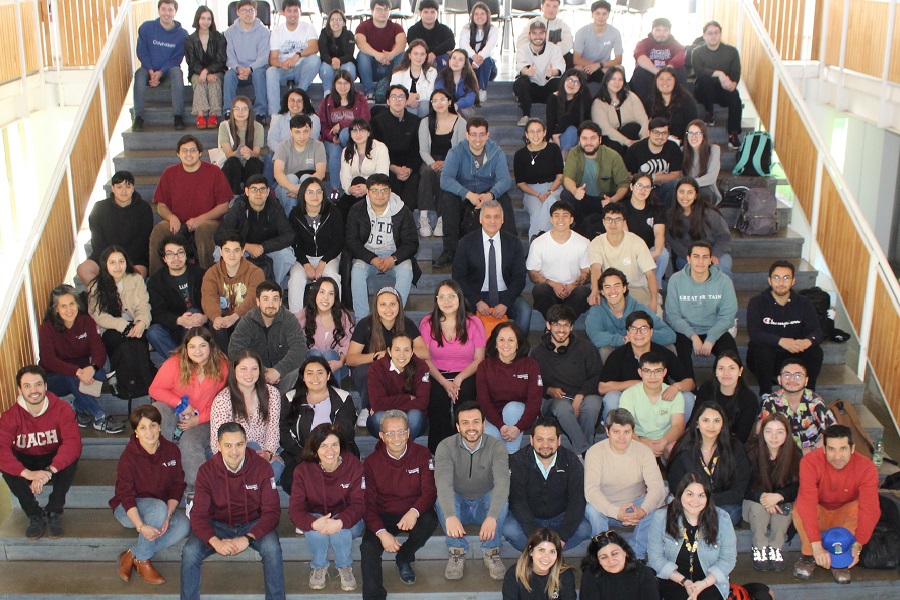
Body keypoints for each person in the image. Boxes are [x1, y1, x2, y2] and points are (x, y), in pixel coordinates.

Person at [181, 422, 284, 600]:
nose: (234, 451)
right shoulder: (206, 471)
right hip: (217, 525)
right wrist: (215, 541)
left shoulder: (261, 467)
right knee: (190, 551)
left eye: (239, 444)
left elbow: (272, 513)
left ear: (245, 443)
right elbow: (198, 516)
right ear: (218, 445)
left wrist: (248, 538)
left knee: (272, 548)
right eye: (228, 445)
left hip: (253, 523)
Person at [361, 410, 439, 597]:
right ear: (382, 436)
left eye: (401, 432)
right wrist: (381, 532)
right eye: (390, 433)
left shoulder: (422, 454)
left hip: (413, 511)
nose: (397, 438)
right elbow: (367, 504)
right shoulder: (371, 463)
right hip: (384, 514)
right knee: (368, 548)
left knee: (429, 520)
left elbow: (430, 492)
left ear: (408, 433)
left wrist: (414, 511)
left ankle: (404, 557)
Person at [110, 404, 190, 584]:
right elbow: (126, 496)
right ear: (136, 432)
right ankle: (142, 559)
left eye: (153, 425)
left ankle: (132, 553)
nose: (149, 432)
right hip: (128, 510)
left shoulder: (171, 450)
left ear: (159, 426)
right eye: (143, 428)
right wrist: (140, 526)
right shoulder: (128, 458)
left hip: (159, 510)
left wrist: (168, 516)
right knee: (158, 508)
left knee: (184, 526)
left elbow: (177, 485)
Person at [0, 365, 81, 540]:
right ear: (19, 390)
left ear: (45, 386)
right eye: (27, 386)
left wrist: (49, 471)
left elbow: (73, 443)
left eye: (38, 384)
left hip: (52, 459)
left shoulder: (62, 409)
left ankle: (54, 511)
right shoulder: (10, 416)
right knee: (7, 466)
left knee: (69, 459)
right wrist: (28, 473)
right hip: (26, 460)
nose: (33, 390)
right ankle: (34, 514)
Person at [792, 425, 880, 584]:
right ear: (824, 449)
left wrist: (858, 544)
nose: (837, 456)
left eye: (843, 449)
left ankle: (840, 557)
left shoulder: (866, 467)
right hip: (819, 510)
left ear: (852, 448)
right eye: (831, 449)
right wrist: (816, 546)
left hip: (844, 513)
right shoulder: (809, 462)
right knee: (800, 507)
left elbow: (870, 509)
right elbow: (807, 502)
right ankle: (808, 555)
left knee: (857, 508)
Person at [434, 401, 510, 581]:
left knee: (501, 499)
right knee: (442, 501)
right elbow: (443, 484)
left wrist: (492, 517)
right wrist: (450, 515)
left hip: (484, 503)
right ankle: (457, 551)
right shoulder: (445, 446)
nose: (471, 428)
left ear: (483, 425)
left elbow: (502, 483)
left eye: (476, 422)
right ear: (458, 427)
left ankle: (491, 551)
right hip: (459, 503)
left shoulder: (497, 447)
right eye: (465, 423)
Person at [149, 327, 229, 495]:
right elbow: (155, 389)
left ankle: (196, 488)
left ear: (210, 346)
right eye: (192, 346)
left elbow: (224, 401)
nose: (197, 351)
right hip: (175, 412)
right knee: (157, 410)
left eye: (202, 346)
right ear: (186, 348)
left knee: (189, 441)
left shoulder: (222, 366)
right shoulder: (174, 363)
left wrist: (198, 420)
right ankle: (159, 469)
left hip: (205, 418)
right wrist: (180, 403)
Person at [289, 424, 365, 591]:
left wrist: (340, 521)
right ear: (315, 448)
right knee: (315, 531)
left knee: (340, 531)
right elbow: (295, 509)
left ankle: (344, 566)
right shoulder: (303, 470)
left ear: (341, 446)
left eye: (334, 445)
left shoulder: (354, 465)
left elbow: (359, 504)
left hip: (349, 517)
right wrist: (313, 523)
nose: (330, 451)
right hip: (317, 515)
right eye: (323, 446)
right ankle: (319, 566)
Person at [584, 408, 666, 560]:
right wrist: (615, 512)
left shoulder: (644, 452)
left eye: (626, 432)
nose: (622, 437)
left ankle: (636, 556)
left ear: (633, 432)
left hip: (635, 507)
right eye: (616, 432)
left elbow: (657, 487)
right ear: (607, 431)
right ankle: (602, 554)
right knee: (592, 509)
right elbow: (591, 490)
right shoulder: (595, 452)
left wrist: (643, 510)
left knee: (656, 505)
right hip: (605, 508)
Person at [38, 284, 121, 433]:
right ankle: (100, 417)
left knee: (100, 374)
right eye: (63, 306)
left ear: (77, 304)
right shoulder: (47, 328)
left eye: (72, 304)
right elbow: (49, 360)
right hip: (55, 378)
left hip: (82, 372)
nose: (69, 310)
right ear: (56, 309)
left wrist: (93, 367)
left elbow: (99, 350)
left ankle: (76, 407)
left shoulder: (87, 322)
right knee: (71, 376)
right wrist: (77, 371)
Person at [436, 117, 517, 268]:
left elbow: (505, 180)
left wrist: (491, 195)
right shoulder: (456, 152)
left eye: (481, 134)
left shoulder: (496, 152)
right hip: (464, 194)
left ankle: (511, 248)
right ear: (467, 135)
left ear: (488, 135)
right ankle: (450, 250)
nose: (478, 139)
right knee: (448, 198)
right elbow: (445, 180)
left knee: (504, 198)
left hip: (488, 193)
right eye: (474, 134)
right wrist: (468, 195)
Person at [648, 473, 741, 600]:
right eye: (690, 494)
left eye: (701, 495)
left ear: (708, 497)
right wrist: (685, 581)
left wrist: (703, 584)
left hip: (709, 580)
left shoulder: (722, 519)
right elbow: (655, 558)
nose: (695, 500)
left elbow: (728, 560)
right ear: (680, 494)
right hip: (673, 578)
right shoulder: (661, 517)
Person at [149, 135, 233, 274]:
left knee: (204, 230)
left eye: (192, 150)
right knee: (159, 231)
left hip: (208, 222)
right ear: (178, 154)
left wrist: (200, 219)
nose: (188, 154)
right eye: (184, 150)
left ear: (200, 153)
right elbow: (161, 206)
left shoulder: (214, 172)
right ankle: (156, 280)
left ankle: (209, 278)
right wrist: (171, 217)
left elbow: (224, 206)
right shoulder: (169, 173)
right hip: (178, 223)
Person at [504, 416, 591, 551]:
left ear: (559, 440)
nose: (545, 445)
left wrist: (563, 536)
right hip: (529, 517)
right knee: (509, 529)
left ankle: (546, 552)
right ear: (531, 440)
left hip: (559, 517)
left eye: (551, 439)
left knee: (584, 529)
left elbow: (577, 500)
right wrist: (533, 534)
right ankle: (544, 552)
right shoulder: (518, 460)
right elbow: (518, 501)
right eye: (540, 439)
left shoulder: (571, 461)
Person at [346, 287, 428, 426]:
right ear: (376, 306)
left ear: (399, 305)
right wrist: (376, 356)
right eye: (383, 304)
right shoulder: (365, 324)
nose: (388, 309)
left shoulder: (406, 323)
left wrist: (397, 353)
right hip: (373, 370)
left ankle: (394, 404)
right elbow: (350, 359)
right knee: (367, 370)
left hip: (397, 370)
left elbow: (425, 352)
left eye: (392, 304)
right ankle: (367, 406)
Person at [420, 279, 486, 452]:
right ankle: (439, 452)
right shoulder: (427, 323)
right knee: (437, 398)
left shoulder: (474, 322)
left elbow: (479, 359)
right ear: (436, 300)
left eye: (451, 296)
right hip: (437, 372)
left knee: (465, 396)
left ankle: (465, 449)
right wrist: (444, 382)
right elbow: (425, 359)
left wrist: (459, 378)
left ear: (459, 298)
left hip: (466, 372)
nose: (447, 301)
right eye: (442, 297)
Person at [530, 304, 603, 455]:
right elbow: (532, 383)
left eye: (566, 325)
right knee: (562, 407)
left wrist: (580, 396)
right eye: (557, 325)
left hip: (583, 397)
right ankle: (586, 452)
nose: (561, 330)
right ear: (548, 325)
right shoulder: (538, 353)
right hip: (554, 403)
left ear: (572, 327)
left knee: (593, 404)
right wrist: (548, 390)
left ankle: (583, 452)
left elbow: (596, 376)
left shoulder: (586, 348)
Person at [346, 173, 421, 318]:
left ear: (390, 191)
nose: (380, 195)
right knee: (357, 270)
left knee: (406, 270)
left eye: (384, 190)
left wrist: (394, 259)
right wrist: (371, 258)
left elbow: (411, 243)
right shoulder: (357, 209)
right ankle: (361, 319)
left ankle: (394, 317)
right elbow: (351, 241)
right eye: (375, 190)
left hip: (394, 255)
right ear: (368, 192)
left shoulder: (402, 210)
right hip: (367, 256)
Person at [87, 246, 157, 401]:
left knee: (138, 339)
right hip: (110, 327)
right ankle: (124, 380)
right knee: (118, 341)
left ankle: (144, 380)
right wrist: (122, 325)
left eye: (121, 261)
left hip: (135, 322)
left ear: (127, 262)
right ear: (105, 264)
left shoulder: (135, 279)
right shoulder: (95, 285)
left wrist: (141, 323)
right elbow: (98, 315)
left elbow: (144, 306)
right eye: (112, 262)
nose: (118, 266)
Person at [452, 200, 532, 334]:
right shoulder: (466, 242)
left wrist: (505, 303)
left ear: (502, 220)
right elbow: (458, 276)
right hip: (475, 294)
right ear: (480, 219)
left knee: (525, 311)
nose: (492, 221)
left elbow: (519, 277)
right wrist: (477, 301)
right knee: (458, 308)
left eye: (497, 217)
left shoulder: (513, 242)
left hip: (506, 294)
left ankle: (518, 346)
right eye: (488, 216)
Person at [746, 260, 824, 397]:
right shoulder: (757, 302)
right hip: (767, 359)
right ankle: (766, 395)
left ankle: (808, 395)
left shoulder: (804, 302)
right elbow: (755, 334)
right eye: (776, 278)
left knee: (815, 351)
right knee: (762, 350)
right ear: (769, 280)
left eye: (786, 278)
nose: (781, 283)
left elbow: (817, 332)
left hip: (795, 357)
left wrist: (807, 341)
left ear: (793, 281)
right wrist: (781, 341)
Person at [279, 356, 357, 492]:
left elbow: (345, 432)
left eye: (320, 373)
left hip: (336, 452)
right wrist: (306, 454)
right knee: (291, 481)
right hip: (301, 453)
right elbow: (283, 431)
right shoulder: (290, 398)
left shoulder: (343, 398)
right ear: (303, 377)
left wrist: (326, 452)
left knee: (341, 480)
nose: (315, 378)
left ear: (328, 375)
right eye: (309, 373)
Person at [667, 401, 751, 526]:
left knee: (724, 517)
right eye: (705, 420)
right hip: (691, 503)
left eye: (716, 421)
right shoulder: (684, 448)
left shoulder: (735, 449)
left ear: (723, 424)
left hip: (724, 505)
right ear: (697, 423)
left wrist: (708, 500)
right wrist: (696, 501)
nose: (711, 426)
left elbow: (739, 490)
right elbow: (676, 485)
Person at [598, 310, 691, 422]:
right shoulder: (617, 355)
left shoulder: (664, 353)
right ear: (628, 333)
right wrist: (635, 384)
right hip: (629, 403)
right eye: (633, 329)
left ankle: (679, 432)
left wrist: (676, 387)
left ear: (651, 332)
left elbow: (689, 382)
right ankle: (619, 432)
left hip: (659, 401)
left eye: (644, 328)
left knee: (688, 397)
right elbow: (602, 387)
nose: (639, 333)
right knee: (611, 398)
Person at [210, 349, 285, 485]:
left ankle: (248, 491)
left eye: (254, 369)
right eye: (243, 369)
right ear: (234, 371)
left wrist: (268, 454)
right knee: (251, 446)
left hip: (264, 453)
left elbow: (273, 430)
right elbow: (218, 439)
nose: (249, 374)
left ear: (260, 371)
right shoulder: (223, 399)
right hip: (233, 455)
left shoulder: (272, 394)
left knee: (277, 467)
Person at [665, 241, 738, 376]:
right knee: (680, 358)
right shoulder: (676, 280)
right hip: (685, 330)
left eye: (705, 257)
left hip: (715, 329)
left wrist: (711, 338)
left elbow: (728, 315)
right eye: (696, 256)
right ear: (688, 259)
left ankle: (728, 387)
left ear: (710, 260)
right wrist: (693, 336)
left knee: (732, 359)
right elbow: (672, 315)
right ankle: (689, 387)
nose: (700, 261)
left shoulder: (724, 281)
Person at [744, 412, 801, 571]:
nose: (774, 437)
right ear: (762, 432)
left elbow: (798, 486)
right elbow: (742, 485)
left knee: (785, 507)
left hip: (780, 501)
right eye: (769, 431)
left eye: (779, 432)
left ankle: (776, 547)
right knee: (758, 508)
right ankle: (759, 547)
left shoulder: (795, 454)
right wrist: (763, 497)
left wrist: (779, 496)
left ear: (787, 434)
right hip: (753, 502)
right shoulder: (750, 451)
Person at [229, 281, 306, 395]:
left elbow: (300, 348)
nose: (271, 304)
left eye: (275, 299)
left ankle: (281, 400)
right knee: (238, 368)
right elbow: (234, 349)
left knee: (301, 371)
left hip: (284, 375)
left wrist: (279, 370)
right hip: (256, 375)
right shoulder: (248, 321)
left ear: (280, 301)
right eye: (265, 299)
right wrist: (262, 371)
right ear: (258, 301)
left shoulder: (289, 319)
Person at [77, 170, 153, 284]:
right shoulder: (99, 208)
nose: (124, 191)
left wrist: (122, 261)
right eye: (119, 187)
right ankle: (105, 293)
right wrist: (110, 261)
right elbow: (97, 240)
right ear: (112, 188)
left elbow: (142, 240)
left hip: (134, 258)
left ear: (133, 188)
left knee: (136, 278)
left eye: (128, 186)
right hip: (104, 257)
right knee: (83, 270)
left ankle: (115, 292)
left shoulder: (144, 208)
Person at [477, 322, 543, 453]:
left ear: (518, 343)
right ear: (495, 343)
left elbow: (535, 401)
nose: (506, 344)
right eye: (501, 340)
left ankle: (512, 454)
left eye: (511, 340)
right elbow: (484, 402)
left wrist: (518, 427)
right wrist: (501, 426)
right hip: (494, 418)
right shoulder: (484, 367)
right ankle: (504, 460)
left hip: (522, 417)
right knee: (488, 440)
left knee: (511, 408)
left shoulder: (531, 366)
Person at [221, 175, 295, 284]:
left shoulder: (275, 206)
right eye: (254, 189)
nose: (258, 193)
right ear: (247, 191)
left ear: (268, 191)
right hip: (243, 250)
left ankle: (272, 287)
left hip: (268, 250)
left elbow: (289, 235)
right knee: (220, 251)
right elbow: (221, 234)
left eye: (262, 189)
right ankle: (233, 287)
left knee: (286, 254)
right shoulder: (239, 206)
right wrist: (245, 246)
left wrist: (263, 247)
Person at [586, 271, 675, 361]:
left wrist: (641, 335)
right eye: (607, 287)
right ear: (602, 292)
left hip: (642, 352)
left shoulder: (639, 309)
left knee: (669, 347)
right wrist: (624, 339)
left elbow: (670, 334)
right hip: (615, 354)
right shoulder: (597, 311)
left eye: (617, 286)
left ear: (624, 288)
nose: (613, 291)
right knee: (605, 350)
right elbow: (595, 336)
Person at [560, 121, 630, 234]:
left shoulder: (613, 156)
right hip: (582, 198)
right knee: (566, 194)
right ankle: (581, 226)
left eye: (593, 138)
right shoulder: (574, 153)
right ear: (579, 140)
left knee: (622, 205)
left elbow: (624, 183)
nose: (589, 142)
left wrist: (613, 199)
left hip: (605, 200)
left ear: (600, 139)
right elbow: (567, 177)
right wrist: (575, 191)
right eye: (584, 138)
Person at [587, 203, 659, 312]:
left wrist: (654, 300)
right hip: (609, 290)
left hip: (635, 289)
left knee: (653, 316)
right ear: (603, 222)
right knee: (597, 313)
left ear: (624, 222)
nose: (613, 223)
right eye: (609, 219)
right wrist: (596, 290)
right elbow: (596, 269)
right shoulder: (596, 243)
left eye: (618, 219)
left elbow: (650, 274)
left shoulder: (637, 242)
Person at [200, 229, 265, 349]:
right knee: (216, 326)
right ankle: (224, 359)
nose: (231, 255)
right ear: (221, 252)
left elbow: (253, 298)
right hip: (222, 317)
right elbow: (209, 297)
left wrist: (235, 316)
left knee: (242, 323)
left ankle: (242, 358)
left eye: (236, 250)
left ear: (242, 251)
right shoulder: (211, 273)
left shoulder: (255, 272)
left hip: (245, 317)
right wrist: (216, 317)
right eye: (227, 250)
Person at [526, 200, 590, 320]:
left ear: (571, 219)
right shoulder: (538, 243)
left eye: (565, 216)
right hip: (549, 289)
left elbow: (586, 271)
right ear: (551, 219)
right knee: (540, 289)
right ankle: (558, 323)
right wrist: (553, 284)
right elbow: (532, 273)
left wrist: (572, 285)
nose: (561, 220)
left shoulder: (583, 242)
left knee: (584, 291)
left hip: (573, 290)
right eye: (556, 215)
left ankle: (559, 324)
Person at [146, 234, 208, 359]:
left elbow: (212, 301)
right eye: (170, 254)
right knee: (153, 332)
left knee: (193, 312)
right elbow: (157, 313)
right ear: (164, 258)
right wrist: (178, 320)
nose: (176, 258)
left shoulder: (201, 274)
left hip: (199, 326)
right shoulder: (156, 281)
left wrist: (205, 318)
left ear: (186, 255)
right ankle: (181, 363)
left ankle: (189, 360)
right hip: (173, 328)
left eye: (180, 252)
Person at [287, 177, 344, 309]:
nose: (315, 196)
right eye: (310, 192)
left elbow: (338, 242)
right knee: (296, 277)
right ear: (303, 194)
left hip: (329, 257)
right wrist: (306, 264)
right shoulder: (295, 214)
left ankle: (335, 315)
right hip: (303, 258)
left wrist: (323, 262)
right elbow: (294, 243)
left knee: (332, 275)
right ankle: (295, 318)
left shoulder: (333, 212)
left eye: (319, 192)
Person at [757, 358, 836, 453]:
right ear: (779, 379)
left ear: (806, 381)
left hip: (812, 454)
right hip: (781, 454)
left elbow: (834, 432)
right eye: (787, 375)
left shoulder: (815, 402)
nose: (792, 379)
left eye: (798, 376)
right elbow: (761, 432)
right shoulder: (771, 402)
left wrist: (811, 450)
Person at [619, 351, 685, 460]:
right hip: (638, 439)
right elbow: (625, 426)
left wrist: (663, 441)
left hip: (666, 439)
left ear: (665, 372)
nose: (652, 376)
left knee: (674, 450)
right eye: (647, 371)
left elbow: (678, 426)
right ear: (640, 372)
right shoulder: (629, 394)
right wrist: (642, 443)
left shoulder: (675, 394)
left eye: (657, 371)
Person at [132, 0, 187, 132]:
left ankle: (178, 115)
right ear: (158, 10)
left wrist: (160, 72)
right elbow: (142, 52)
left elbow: (176, 58)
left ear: (175, 12)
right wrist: (152, 72)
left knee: (177, 72)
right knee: (139, 74)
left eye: (170, 10)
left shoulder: (182, 34)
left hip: (167, 73)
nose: (166, 13)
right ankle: (138, 116)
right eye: (163, 9)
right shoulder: (146, 28)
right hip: (148, 70)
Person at [418, 88, 466, 237]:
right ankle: (423, 216)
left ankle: (441, 218)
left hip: (452, 161)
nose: (439, 103)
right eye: (435, 101)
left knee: (443, 176)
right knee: (427, 172)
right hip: (430, 159)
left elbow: (460, 150)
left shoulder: (460, 122)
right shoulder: (425, 122)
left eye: (442, 100)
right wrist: (433, 163)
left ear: (449, 102)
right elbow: (423, 150)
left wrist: (447, 163)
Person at [318, 69, 371, 198]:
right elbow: (323, 125)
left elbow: (365, 120)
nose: (343, 87)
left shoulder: (360, 98)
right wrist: (331, 137)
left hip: (354, 138)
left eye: (346, 83)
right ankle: (335, 189)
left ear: (351, 84)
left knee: (345, 133)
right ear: (334, 84)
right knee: (335, 151)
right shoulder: (327, 101)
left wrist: (342, 124)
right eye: (339, 83)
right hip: (332, 140)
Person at [366, 332, 430, 439]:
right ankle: (396, 448)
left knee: (415, 416)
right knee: (379, 417)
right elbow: (377, 404)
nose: (402, 355)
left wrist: (389, 407)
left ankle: (402, 447)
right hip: (384, 416)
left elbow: (422, 402)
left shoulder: (421, 367)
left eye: (406, 350)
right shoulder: (376, 368)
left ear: (412, 352)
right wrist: (407, 398)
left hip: (412, 417)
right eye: (397, 350)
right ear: (389, 351)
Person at [692, 21, 743, 150]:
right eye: (710, 33)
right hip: (703, 91)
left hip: (723, 89)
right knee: (705, 80)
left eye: (716, 33)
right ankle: (710, 113)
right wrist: (719, 73)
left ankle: (733, 134)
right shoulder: (697, 51)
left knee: (735, 97)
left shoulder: (731, 51)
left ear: (720, 34)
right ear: (704, 36)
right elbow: (699, 71)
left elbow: (736, 72)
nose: (713, 36)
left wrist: (733, 84)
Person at [265, 0, 320, 118]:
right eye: (289, 11)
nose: (292, 14)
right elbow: (272, 59)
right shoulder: (277, 32)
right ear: (283, 12)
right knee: (270, 72)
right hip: (283, 69)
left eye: (295, 11)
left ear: (300, 12)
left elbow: (314, 48)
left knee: (315, 60)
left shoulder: (308, 27)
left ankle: (298, 95)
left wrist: (297, 55)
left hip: (300, 67)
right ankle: (274, 114)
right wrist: (281, 64)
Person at [667, 180, 733, 278]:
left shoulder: (710, 214)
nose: (685, 196)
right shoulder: (670, 216)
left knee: (719, 270)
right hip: (687, 257)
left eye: (690, 192)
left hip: (715, 253)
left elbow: (725, 237)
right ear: (676, 194)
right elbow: (674, 242)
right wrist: (694, 257)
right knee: (692, 270)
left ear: (696, 195)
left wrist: (712, 255)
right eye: (681, 192)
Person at [372, 85, 423, 212]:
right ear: (388, 101)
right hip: (387, 166)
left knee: (410, 197)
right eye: (393, 97)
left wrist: (408, 169)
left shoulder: (416, 121)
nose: (397, 100)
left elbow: (417, 150)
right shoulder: (377, 121)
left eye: (401, 97)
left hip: (409, 168)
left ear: (406, 101)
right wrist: (394, 168)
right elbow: (376, 151)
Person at [295, 277, 354, 383]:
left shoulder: (343, 316)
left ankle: (333, 391)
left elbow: (348, 345)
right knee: (314, 354)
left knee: (330, 354)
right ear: (315, 294)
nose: (326, 298)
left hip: (337, 365)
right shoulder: (305, 314)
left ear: (335, 297)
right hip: (310, 364)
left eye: (331, 294)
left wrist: (340, 362)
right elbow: (294, 338)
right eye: (322, 292)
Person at [514, 118, 564, 240]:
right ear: (526, 134)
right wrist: (538, 195)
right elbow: (521, 183)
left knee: (550, 202)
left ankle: (542, 240)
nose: (535, 135)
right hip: (531, 191)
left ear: (544, 132)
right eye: (532, 131)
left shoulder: (553, 149)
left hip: (554, 188)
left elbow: (560, 176)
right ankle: (536, 245)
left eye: (539, 131)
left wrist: (549, 191)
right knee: (536, 211)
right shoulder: (520, 155)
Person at [693, 350, 758, 444]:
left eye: (732, 368)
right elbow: (694, 421)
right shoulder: (706, 389)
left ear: (740, 371)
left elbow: (741, 437)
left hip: (732, 446)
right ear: (715, 372)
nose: (726, 373)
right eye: (721, 368)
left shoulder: (749, 399)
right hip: (703, 441)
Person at [223, 0, 270, 120]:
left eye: (251, 10)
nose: (248, 13)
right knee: (229, 75)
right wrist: (238, 68)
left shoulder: (264, 31)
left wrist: (250, 69)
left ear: (256, 12)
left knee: (259, 74)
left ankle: (260, 112)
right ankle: (228, 111)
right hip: (238, 70)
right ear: (238, 12)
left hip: (256, 69)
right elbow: (229, 56)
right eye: (244, 10)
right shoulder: (229, 32)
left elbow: (264, 56)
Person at [579, 530, 660, 600]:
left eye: (615, 554)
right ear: (598, 560)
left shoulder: (643, 573)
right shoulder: (591, 575)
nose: (611, 561)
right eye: (604, 557)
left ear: (625, 552)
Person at [272, 114, 327, 215]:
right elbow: (278, 173)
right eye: (297, 132)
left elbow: (321, 173)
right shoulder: (283, 146)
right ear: (291, 132)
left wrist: (302, 188)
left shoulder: (318, 145)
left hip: (308, 187)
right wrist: (293, 188)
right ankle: (291, 219)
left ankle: (308, 218)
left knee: (307, 178)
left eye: (305, 131)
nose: (302, 136)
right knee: (291, 178)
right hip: (286, 187)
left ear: (311, 130)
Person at [337, 118, 390, 220]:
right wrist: (349, 189)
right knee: (338, 211)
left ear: (368, 133)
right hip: (354, 192)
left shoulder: (380, 148)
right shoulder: (346, 151)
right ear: (350, 134)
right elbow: (345, 176)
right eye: (354, 131)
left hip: (376, 191)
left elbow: (382, 176)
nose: (358, 134)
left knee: (358, 180)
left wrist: (368, 188)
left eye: (362, 130)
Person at [502, 527, 576, 600]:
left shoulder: (565, 575)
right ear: (530, 550)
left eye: (552, 551)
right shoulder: (514, 574)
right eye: (541, 550)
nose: (546, 557)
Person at [514, 21, 565, 127]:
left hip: (548, 88)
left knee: (560, 82)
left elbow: (560, 67)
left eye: (541, 33)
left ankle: (556, 118)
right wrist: (527, 71)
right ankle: (526, 115)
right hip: (531, 90)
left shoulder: (554, 49)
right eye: (534, 33)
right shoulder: (523, 49)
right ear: (529, 35)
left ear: (546, 34)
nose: (538, 36)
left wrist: (553, 72)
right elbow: (521, 67)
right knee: (521, 82)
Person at [625, 118, 683, 209]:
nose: (660, 136)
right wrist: (649, 180)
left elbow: (676, 175)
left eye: (664, 133)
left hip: (663, 189)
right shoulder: (635, 149)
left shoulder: (673, 148)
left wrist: (654, 178)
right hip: (642, 189)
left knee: (675, 184)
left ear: (668, 134)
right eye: (656, 132)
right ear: (649, 133)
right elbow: (628, 176)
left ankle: (666, 214)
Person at [621, 174, 668, 286]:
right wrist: (641, 255)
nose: (643, 190)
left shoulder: (656, 209)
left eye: (647, 187)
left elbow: (659, 234)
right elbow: (626, 237)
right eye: (639, 185)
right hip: (629, 250)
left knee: (663, 254)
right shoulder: (621, 207)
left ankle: (655, 287)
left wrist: (656, 252)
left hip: (649, 251)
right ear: (632, 186)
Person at [591, 65, 648, 158]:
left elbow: (643, 119)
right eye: (613, 79)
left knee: (633, 128)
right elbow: (605, 129)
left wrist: (644, 138)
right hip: (611, 139)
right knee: (612, 143)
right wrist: (626, 141)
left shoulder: (631, 96)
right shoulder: (598, 103)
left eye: (620, 79)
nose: (617, 83)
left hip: (632, 136)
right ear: (606, 81)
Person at [184, 5, 226, 129]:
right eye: (203, 18)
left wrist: (207, 71)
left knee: (214, 81)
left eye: (209, 19)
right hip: (197, 72)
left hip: (217, 71)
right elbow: (191, 62)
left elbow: (221, 60)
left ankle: (213, 115)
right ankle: (200, 115)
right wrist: (203, 73)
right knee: (199, 81)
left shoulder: (219, 37)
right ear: (197, 19)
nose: (205, 21)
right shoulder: (190, 39)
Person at [355, 0, 406, 99]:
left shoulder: (396, 27)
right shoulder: (363, 26)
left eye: (386, 9)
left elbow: (402, 43)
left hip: (389, 66)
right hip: (372, 68)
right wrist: (377, 55)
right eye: (379, 9)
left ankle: (395, 89)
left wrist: (391, 54)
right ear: (372, 11)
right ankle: (369, 92)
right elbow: (360, 43)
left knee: (402, 54)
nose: (383, 12)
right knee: (362, 55)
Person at [630, 17, 688, 103]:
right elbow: (640, 57)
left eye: (665, 30)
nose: (661, 33)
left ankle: (678, 103)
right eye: (658, 30)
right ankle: (646, 105)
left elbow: (680, 56)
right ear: (652, 31)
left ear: (669, 32)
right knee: (640, 71)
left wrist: (668, 69)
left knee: (682, 70)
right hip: (650, 73)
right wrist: (658, 73)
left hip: (669, 73)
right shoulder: (644, 43)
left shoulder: (675, 44)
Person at [219, 96, 265, 195]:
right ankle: (233, 196)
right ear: (232, 111)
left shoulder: (258, 127)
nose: (240, 112)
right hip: (233, 166)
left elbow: (256, 154)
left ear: (249, 111)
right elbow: (228, 154)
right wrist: (239, 151)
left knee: (254, 162)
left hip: (250, 165)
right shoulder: (224, 126)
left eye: (244, 108)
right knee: (232, 161)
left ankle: (250, 196)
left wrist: (249, 153)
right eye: (237, 109)